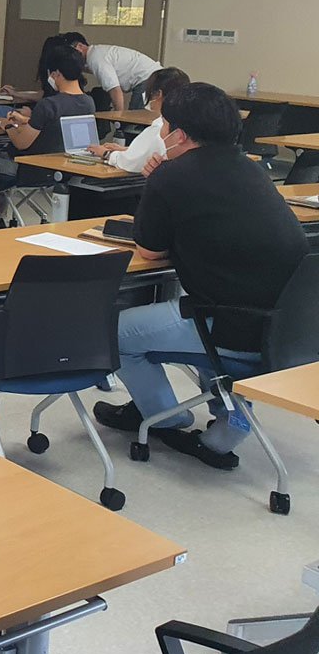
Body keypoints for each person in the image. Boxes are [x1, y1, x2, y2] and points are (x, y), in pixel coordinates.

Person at [94, 83, 307, 469]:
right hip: (288, 329)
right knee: (198, 307)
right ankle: (226, 427)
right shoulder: (252, 169)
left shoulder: (172, 176)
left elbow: (149, 250)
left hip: (229, 327)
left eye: (164, 125)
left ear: (178, 135)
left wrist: (157, 182)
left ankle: (163, 417)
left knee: (114, 332)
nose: (161, 132)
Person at [86, 67, 189, 173]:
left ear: (158, 94)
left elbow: (131, 162)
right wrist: (126, 150)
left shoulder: (161, 126)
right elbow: (151, 151)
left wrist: (106, 153)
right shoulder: (184, 120)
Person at [2, 41, 95, 155]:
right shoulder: (89, 102)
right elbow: (55, 128)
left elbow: (21, 143)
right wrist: (25, 120)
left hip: (37, 163)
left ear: (56, 73)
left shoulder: (49, 105)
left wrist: (7, 125)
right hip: (70, 162)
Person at [63, 31, 160, 112]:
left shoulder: (95, 59)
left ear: (80, 46)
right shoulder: (97, 53)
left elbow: (115, 90)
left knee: (136, 122)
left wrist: (119, 119)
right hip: (155, 76)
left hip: (148, 79)